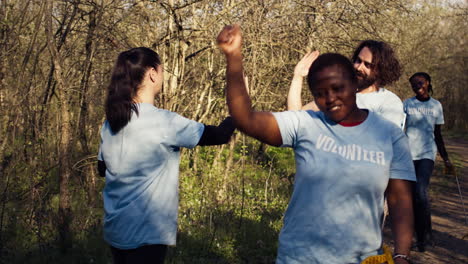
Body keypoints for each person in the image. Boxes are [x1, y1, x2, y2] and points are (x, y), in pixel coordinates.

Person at [217, 24, 415, 264]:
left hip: (360, 258)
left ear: (353, 85)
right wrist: (234, 56)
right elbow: (245, 119)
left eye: (337, 88)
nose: (330, 98)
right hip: (300, 257)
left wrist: (402, 254)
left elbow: (400, 199)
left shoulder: (390, 135)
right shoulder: (306, 124)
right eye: (320, 93)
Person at [97, 47, 235, 264]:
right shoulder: (164, 121)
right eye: (162, 71)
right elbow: (219, 135)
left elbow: (102, 169)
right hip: (146, 233)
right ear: (153, 73)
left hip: (116, 229)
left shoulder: (111, 122)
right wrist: (238, 109)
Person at [288, 40, 405, 130]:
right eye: (358, 61)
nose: (359, 67)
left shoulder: (389, 102)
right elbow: (296, 119)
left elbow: (388, 143)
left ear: (380, 70)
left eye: (367, 65)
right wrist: (298, 77)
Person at [404, 72, 453, 252]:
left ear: (428, 83)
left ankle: (425, 236)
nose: (417, 85)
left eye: (420, 82)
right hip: (408, 155)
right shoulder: (407, 104)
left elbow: (438, 135)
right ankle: (423, 235)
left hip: (427, 154)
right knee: (413, 197)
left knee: (421, 191)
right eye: (414, 83)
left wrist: (446, 158)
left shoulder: (436, 106)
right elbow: (399, 129)